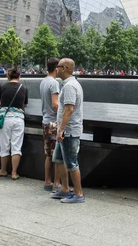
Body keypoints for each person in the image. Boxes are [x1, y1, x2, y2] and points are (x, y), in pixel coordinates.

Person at [50, 58, 85, 203]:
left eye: (57, 67)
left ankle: (78, 194)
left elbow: (69, 109)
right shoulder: (68, 85)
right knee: (58, 159)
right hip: (64, 131)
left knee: (71, 163)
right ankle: (65, 189)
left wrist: (61, 130)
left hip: (68, 132)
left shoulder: (70, 86)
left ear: (63, 68)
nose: (55, 69)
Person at [0, 67, 28, 180]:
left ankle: (3, 170)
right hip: (18, 119)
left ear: (8, 76)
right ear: (19, 76)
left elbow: (2, 101)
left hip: (5, 119)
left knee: (4, 145)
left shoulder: (3, 87)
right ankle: (14, 172)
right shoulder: (24, 88)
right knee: (16, 147)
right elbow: (25, 104)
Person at [40, 57, 61, 191]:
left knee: (48, 154)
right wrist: (64, 114)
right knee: (57, 155)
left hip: (45, 121)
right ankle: (57, 183)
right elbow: (55, 104)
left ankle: (47, 181)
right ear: (56, 68)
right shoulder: (54, 83)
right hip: (53, 123)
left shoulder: (43, 81)